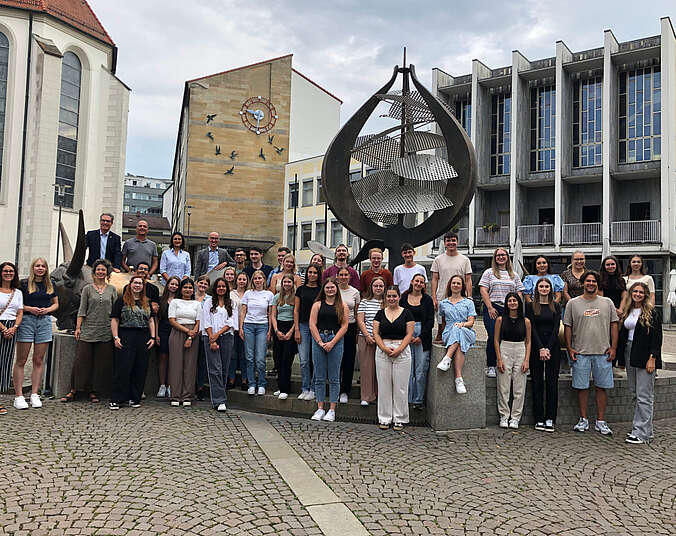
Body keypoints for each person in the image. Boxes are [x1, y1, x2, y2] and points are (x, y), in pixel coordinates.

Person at [564, 270, 619, 435]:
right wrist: (569, 348)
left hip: (603, 352)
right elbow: (568, 327)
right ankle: (583, 419)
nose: (590, 284)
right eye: (587, 281)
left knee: (602, 387)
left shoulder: (607, 302)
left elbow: (614, 325)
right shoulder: (572, 304)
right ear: (582, 283)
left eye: (593, 281)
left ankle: (600, 421)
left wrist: (614, 347)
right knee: (582, 388)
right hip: (581, 352)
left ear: (598, 283)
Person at [62, 259, 117, 403]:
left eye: (103, 270)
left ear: (107, 272)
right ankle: (74, 389)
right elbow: (82, 310)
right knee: (81, 361)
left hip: (105, 330)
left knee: (100, 363)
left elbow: (115, 312)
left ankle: (93, 391)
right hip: (88, 329)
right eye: (98, 269)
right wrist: (78, 328)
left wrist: (115, 332)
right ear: (94, 272)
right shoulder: (87, 289)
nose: (100, 272)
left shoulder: (112, 290)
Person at [618, 282, 662, 444]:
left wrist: (653, 358)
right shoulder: (628, 311)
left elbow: (657, 339)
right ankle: (644, 430)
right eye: (635, 291)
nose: (637, 294)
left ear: (645, 295)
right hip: (630, 353)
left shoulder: (652, 313)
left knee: (644, 396)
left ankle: (641, 433)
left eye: (641, 292)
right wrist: (621, 360)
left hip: (645, 356)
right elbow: (624, 336)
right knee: (635, 394)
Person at [13, 258, 58, 410]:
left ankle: (34, 394)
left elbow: (56, 304)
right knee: (22, 359)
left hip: (44, 321)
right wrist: (29, 308)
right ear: (33, 268)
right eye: (37, 266)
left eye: (43, 266)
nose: (40, 268)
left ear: (46, 269)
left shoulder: (50, 284)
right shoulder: (24, 284)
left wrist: (47, 310)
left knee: (38, 359)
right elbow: (18, 303)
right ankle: (19, 395)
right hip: (27, 320)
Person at [109, 275, 155, 410]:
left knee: (140, 368)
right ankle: (117, 399)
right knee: (123, 368)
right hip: (126, 335)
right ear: (130, 284)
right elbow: (114, 319)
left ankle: (134, 397)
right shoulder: (121, 301)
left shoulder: (146, 302)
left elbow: (151, 320)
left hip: (143, 336)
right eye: (135, 283)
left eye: (140, 284)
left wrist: (152, 337)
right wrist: (116, 337)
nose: (137, 285)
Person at [373, 286, 415, 431]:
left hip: (401, 350)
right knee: (384, 386)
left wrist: (399, 349)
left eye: (394, 296)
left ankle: (400, 418)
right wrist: (384, 348)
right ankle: (384, 418)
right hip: (383, 349)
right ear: (385, 298)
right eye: (389, 296)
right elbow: (376, 333)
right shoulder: (379, 314)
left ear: (399, 297)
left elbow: (409, 334)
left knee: (401, 387)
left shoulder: (407, 313)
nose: (391, 299)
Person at [479, 248, 525, 378]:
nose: (501, 257)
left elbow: (520, 291)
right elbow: (483, 290)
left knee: (507, 337)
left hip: (508, 309)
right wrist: (489, 307)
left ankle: (505, 364)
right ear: (495, 257)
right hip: (493, 307)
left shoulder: (513, 274)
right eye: (498, 255)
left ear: (507, 257)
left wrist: (515, 304)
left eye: (503, 255)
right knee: (493, 335)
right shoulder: (489, 272)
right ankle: (491, 365)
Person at [309, 278, 349, 422]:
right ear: (323, 289)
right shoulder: (317, 305)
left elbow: (344, 326)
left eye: (332, 287)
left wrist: (332, 342)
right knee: (319, 376)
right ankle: (320, 408)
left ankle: (332, 409)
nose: (330, 290)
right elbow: (312, 324)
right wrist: (319, 341)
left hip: (335, 340)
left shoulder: (342, 306)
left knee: (334, 377)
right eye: (327, 288)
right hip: (319, 339)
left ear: (336, 289)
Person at [525, 277, 562, 432]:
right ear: (537, 289)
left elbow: (556, 328)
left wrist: (548, 347)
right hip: (535, 346)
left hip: (553, 347)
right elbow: (531, 328)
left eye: (547, 286)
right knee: (537, 383)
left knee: (552, 384)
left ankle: (550, 418)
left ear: (551, 289)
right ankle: (539, 418)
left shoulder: (556, 306)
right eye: (541, 286)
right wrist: (540, 348)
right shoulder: (530, 306)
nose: (544, 288)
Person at [494, 292, 531, 429]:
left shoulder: (526, 321)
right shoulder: (500, 320)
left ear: (519, 303)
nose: (512, 303)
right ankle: (504, 415)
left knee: (519, 387)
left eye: (514, 300)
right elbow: (496, 340)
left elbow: (528, 341)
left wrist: (527, 359)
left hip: (520, 349)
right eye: (509, 301)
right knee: (503, 385)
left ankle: (515, 417)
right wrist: (499, 359)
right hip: (505, 348)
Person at [436, 275, 477, 395]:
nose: (456, 285)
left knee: (458, 329)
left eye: (458, 283)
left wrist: (462, 324)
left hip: (466, 330)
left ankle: (447, 358)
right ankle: (459, 379)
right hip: (449, 332)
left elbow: (471, 322)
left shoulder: (468, 302)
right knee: (458, 341)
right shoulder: (443, 303)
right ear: (450, 285)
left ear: (462, 286)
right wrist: (440, 336)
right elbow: (442, 322)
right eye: (453, 283)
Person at [202, 277, 237, 412]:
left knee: (223, 369)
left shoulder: (231, 303)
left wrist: (218, 335)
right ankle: (220, 400)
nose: (221, 288)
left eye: (223, 286)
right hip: (210, 337)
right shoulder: (208, 302)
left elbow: (231, 322)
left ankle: (219, 398)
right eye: (219, 286)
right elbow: (206, 321)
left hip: (226, 337)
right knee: (215, 369)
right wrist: (212, 339)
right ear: (215, 288)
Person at [400, 273, 434, 408]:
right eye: (417, 281)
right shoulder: (403, 298)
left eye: (421, 282)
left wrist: (421, 336)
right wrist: (407, 336)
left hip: (422, 336)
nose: (419, 284)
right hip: (406, 334)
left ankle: (418, 400)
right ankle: (407, 399)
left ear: (424, 285)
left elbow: (430, 321)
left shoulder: (427, 300)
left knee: (420, 370)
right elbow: (399, 316)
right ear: (412, 282)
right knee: (407, 370)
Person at [431, 232, 472, 341]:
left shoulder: (465, 260)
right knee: (441, 319)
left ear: (457, 242)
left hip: (460, 295)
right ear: (444, 243)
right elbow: (435, 279)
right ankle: (440, 334)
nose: (451, 243)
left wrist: (469, 296)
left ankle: (457, 338)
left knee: (458, 318)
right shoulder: (438, 259)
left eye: (453, 240)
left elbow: (468, 280)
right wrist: (434, 297)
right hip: (442, 294)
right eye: (448, 241)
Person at [167, 278, 202, 407]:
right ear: (181, 289)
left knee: (190, 365)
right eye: (185, 287)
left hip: (193, 334)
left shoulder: (197, 304)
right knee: (176, 364)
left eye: (190, 288)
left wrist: (191, 336)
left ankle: (187, 395)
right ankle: (175, 395)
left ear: (193, 290)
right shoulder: (175, 302)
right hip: (178, 332)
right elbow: (172, 320)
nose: (188, 290)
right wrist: (187, 332)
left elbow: (198, 322)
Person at [240, 270, 274, 395]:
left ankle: (261, 384)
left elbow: (270, 314)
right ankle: (251, 384)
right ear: (252, 280)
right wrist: (241, 327)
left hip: (262, 326)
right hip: (248, 325)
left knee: (260, 358)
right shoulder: (248, 293)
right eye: (255, 278)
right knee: (249, 357)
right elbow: (243, 311)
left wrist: (270, 330)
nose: (258, 280)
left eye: (260, 278)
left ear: (264, 279)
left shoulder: (269, 294)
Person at [356, 276, 385, 406]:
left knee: (381, 368)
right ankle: (366, 396)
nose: (378, 288)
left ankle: (380, 395)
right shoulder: (365, 302)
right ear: (371, 288)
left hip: (382, 339)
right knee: (366, 368)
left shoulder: (387, 302)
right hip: (365, 338)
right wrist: (367, 335)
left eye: (381, 286)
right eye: (376, 286)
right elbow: (360, 320)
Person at [294, 264, 322, 401]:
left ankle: (313, 389)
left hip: (317, 327)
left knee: (316, 360)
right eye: (310, 272)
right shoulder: (300, 289)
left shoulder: (321, 290)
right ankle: (304, 388)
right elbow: (296, 310)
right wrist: (297, 329)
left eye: (315, 273)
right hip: (303, 326)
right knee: (304, 360)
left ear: (318, 275)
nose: (312, 275)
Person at [0, 262, 22, 414]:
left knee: (5, 363)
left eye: (11, 271)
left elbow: (20, 312)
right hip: (1, 326)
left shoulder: (18, 293)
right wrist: (4, 329)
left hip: (12, 327)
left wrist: (14, 328)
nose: (8, 273)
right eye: (5, 271)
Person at [271, 274, 297, 400]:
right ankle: (280, 386)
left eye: (289, 282)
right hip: (279, 328)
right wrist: (276, 330)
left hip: (290, 328)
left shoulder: (295, 298)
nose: (286, 284)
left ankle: (285, 389)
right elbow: (273, 315)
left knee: (287, 359)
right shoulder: (277, 297)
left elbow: (296, 315)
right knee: (278, 359)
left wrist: (291, 332)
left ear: (293, 283)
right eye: (284, 282)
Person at [337, 266, 360, 403]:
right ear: (337, 276)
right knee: (336, 359)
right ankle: (335, 388)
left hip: (350, 327)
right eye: (341, 275)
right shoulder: (333, 289)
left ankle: (345, 390)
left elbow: (357, 313)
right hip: (336, 326)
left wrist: (357, 331)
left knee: (348, 359)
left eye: (346, 275)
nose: (344, 277)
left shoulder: (355, 292)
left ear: (350, 277)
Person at [155, 276, 180, 398]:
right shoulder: (161, 300)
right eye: (172, 284)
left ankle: (171, 385)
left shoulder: (180, 300)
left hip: (176, 330)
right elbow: (157, 319)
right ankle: (162, 385)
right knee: (163, 358)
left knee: (173, 359)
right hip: (163, 330)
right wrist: (156, 334)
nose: (174, 286)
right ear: (168, 285)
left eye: (176, 284)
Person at [229, 271, 249, 391]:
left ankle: (244, 380)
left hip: (246, 327)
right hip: (233, 327)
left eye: (244, 279)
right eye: (240, 279)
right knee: (232, 355)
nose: (241, 281)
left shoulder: (250, 293)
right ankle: (231, 379)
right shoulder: (231, 293)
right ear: (236, 280)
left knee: (244, 355)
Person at [194, 275, 211, 400]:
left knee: (201, 361)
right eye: (201, 283)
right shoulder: (190, 295)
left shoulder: (209, 299)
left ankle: (200, 387)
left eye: (205, 284)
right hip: (189, 331)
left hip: (202, 333)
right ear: (196, 283)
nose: (202, 285)